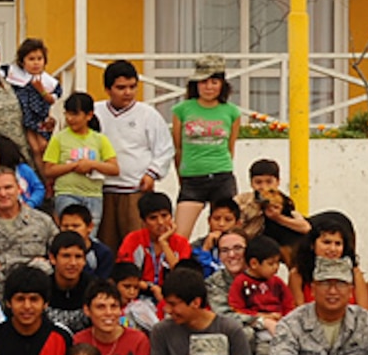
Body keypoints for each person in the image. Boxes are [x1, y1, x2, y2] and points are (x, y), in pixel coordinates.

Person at [93, 60, 174, 248]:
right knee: (106, 245)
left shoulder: (147, 114)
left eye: (132, 87)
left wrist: (151, 174)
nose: (127, 92)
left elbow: (165, 148)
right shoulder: (95, 113)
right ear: (107, 89)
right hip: (101, 190)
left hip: (135, 190)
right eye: (121, 87)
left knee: (138, 246)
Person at [147, 265, 253, 355]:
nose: (167, 310)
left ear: (196, 303)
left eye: (173, 304)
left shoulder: (230, 329)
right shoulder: (161, 331)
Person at [170, 54, 242, 243]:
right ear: (195, 84)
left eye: (214, 82)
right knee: (178, 238)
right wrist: (182, 177)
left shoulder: (232, 112)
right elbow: (178, 148)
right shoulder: (181, 110)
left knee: (227, 236)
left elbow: (230, 147)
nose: (209, 87)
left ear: (222, 84)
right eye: (203, 82)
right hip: (192, 180)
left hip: (222, 177)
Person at [0, 166, 57, 297]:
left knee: (41, 268)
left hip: (29, 288)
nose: (3, 194)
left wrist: (48, 260)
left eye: (8, 187)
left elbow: (61, 250)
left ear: (19, 189)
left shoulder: (42, 220)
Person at [42, 91, 117, 216]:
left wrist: (91, 164)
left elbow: (114, 168)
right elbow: (48, 170)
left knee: (89, 233)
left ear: (89, 115)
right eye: (67, 114)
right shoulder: (59, 138)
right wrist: (74, 166)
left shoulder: (100, 139)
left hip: (93, 195)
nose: (70, 119)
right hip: (66, 193)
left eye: (75, 114)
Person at [289, 211, 368, 309]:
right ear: (312, 245)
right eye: (326, 242)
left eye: (338, 244)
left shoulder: (354, 273)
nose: (332, 249)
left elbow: (364, 312)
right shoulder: (298, 274)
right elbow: (297, 312)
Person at [117, 191, 192, 295]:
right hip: (139, 292)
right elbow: (125, 275)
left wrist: (164, 243)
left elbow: (182, 276)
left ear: (172, 217)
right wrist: (150, 288)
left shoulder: (181, 243)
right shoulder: (133, 239)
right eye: (153, 218)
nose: (160, 222)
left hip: (172, 295)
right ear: (143, 222)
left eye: (164, 216)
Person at [236, 158, 310, 258]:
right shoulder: (241, 201)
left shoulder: (281, 201)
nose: (264, 187)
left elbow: (305, 227)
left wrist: (277, 217)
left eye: (269, 182)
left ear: (278, 182)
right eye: (258, 182)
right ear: (251, 183)